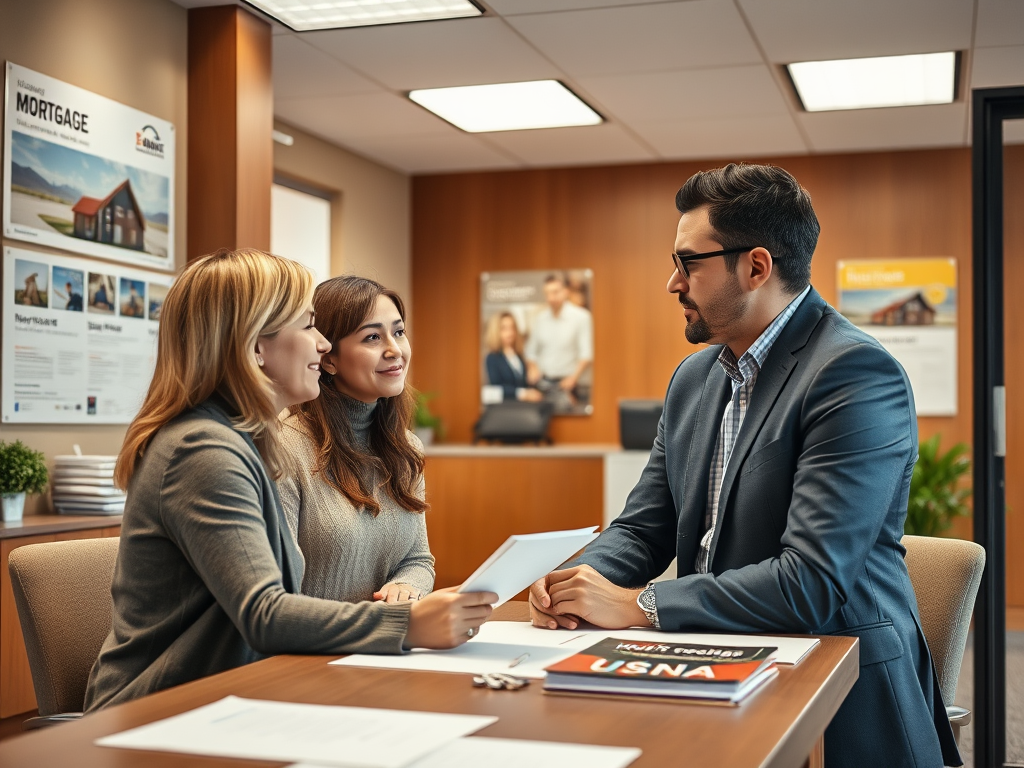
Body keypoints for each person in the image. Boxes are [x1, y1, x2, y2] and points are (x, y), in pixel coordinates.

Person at [528, 164, 960, 768]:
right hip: (710, 664)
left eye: (689, 263)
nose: (672, 283)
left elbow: (812, 583)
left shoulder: (854, 374)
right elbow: (643, 527)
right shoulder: (695, 377)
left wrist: (640, 606)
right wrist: (578, 582)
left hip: (834, 689)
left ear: (756, 267)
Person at [85, 249, 495, 712]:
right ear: (256, 346)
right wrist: (409, 624)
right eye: (307, 326)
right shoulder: (203, 449)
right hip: (161, 710)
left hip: (240, 692)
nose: (323, 344)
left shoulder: (241, 441)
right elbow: (266, 615)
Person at [279, 276, 434, 604]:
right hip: (308, 649)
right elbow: (277, 595)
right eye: (373, 337)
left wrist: (406, 586)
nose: (395, 350)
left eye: (399, 332)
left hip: (383, 646)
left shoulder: (406, 448)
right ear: (328, 358)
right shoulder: (283, 448)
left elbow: (419, 560)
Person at [524, 273, 593, 406]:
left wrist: (573, 378)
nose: (551, 298)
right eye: (547, 293)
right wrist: (532, 367)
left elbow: (586, 354)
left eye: (555, 292)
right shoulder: (540, 319)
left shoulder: (581, 317)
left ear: (566, 292)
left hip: (569, 385)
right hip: (543, 385)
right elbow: (530, 351)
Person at [484, 311, 542, 402]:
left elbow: (524, 383)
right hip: (505, 408)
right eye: (504, 328)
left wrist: (533, 377)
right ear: (496, 331)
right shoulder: (492, 358)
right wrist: (522, 393)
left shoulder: (520, 356)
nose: (510, 333)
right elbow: (496, 388)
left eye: (512, 328)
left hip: (523, 407)